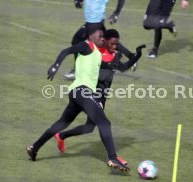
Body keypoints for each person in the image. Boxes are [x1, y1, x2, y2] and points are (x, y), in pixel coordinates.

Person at [26, 25, 130, 172]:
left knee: (61, 124)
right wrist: (56, 66)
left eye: (103, 37)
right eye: (100, 36)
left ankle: (34, 147)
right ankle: (113, 157)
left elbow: (112, 65)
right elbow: (66, 51)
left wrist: (127, 56)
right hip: (82, 92)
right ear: (91, 36)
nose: (102, 39)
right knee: (104, 123)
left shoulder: (98, 54)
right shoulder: (86, 46)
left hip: (78, 94)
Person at [54, 30, 145, 164]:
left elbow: (124, 67)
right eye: (113, 43)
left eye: (116, 44)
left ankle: (61, 135)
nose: (115, 47)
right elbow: (102, 72)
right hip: (93, 94)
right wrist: (113, 61)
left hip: (102, 95)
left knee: (90, 127)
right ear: (105, 41)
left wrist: (137, 55)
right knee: (103, 123)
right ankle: (113, 157)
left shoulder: (111, 54)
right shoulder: (98, 54)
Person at [65, 0, 137, 79]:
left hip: (96, 21)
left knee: (77, 41)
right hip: (91, 21)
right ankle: (132, 56)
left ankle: (78, 70)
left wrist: (116, 13)